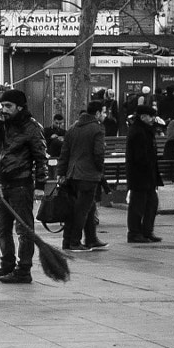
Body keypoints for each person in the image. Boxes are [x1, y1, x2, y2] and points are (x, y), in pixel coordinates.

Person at [0, 89, 48, 282]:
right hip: (2, 185)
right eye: (2, 106)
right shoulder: (2, 126)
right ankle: (7, 265)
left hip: (21, 184)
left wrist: (40, 185)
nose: (4, 109)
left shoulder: (31, 127)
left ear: (20, 107)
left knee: (24, 229)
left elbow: (41, 157)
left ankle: (23, 269)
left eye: (8, 106)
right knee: (2, 228)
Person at [61, 102, 110, 253]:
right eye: (103, 112)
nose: (104, 115)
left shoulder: (73, 127)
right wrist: (99, 170)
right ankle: (74, 242)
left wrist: (62, 173)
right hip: (88, 175)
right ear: (96, 113)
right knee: (82, 209)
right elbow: (98, 153)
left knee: (87, 207)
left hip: (73, 174)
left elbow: (65, 153)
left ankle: (90, 239)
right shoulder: (97, 128)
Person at [125, 103, 164, 243]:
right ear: (142, 117)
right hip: (140, 175)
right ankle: (134, 233)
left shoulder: (146, 130)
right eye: (150, 116)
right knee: (138, 205)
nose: (153, 119)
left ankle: (147, 231)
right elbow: (139, 156)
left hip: (148, 174)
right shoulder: (137, 132)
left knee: (151, 204)